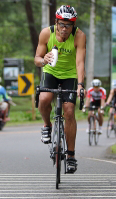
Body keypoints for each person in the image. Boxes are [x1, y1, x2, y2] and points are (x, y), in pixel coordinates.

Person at [34, 5, 86, 173]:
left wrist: (80, 85)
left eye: (69, 25)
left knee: (69, 111)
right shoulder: (46, 33)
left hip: (70, 75)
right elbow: (36, 58)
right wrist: (43, 60)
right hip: (50, 72)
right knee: (43, 99)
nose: (65, 29)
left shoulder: (79, 36)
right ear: (56, 22)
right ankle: (47, 125)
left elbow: (80, 63)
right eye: (62, 24)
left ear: (74, 25)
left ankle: (70, 156)